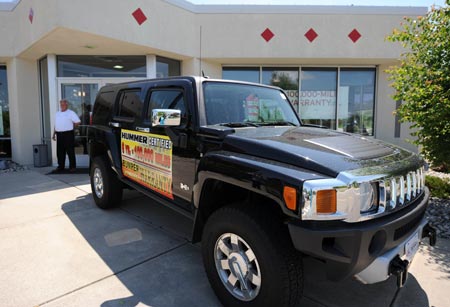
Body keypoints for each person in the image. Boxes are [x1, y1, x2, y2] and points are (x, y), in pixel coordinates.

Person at [52, 99, 81, 172]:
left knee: (70, 151)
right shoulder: (57, 113)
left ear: (66, 104)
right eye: (61, 104)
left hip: (68, 134)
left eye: (63, 104)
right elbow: (56, 125)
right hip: (59, 134)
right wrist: (54, 134)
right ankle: (61, 166)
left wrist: (72, 126)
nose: (62, 106)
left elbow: (78, 121)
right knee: (60, 151)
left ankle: (72, 167)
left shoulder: (71, 113)